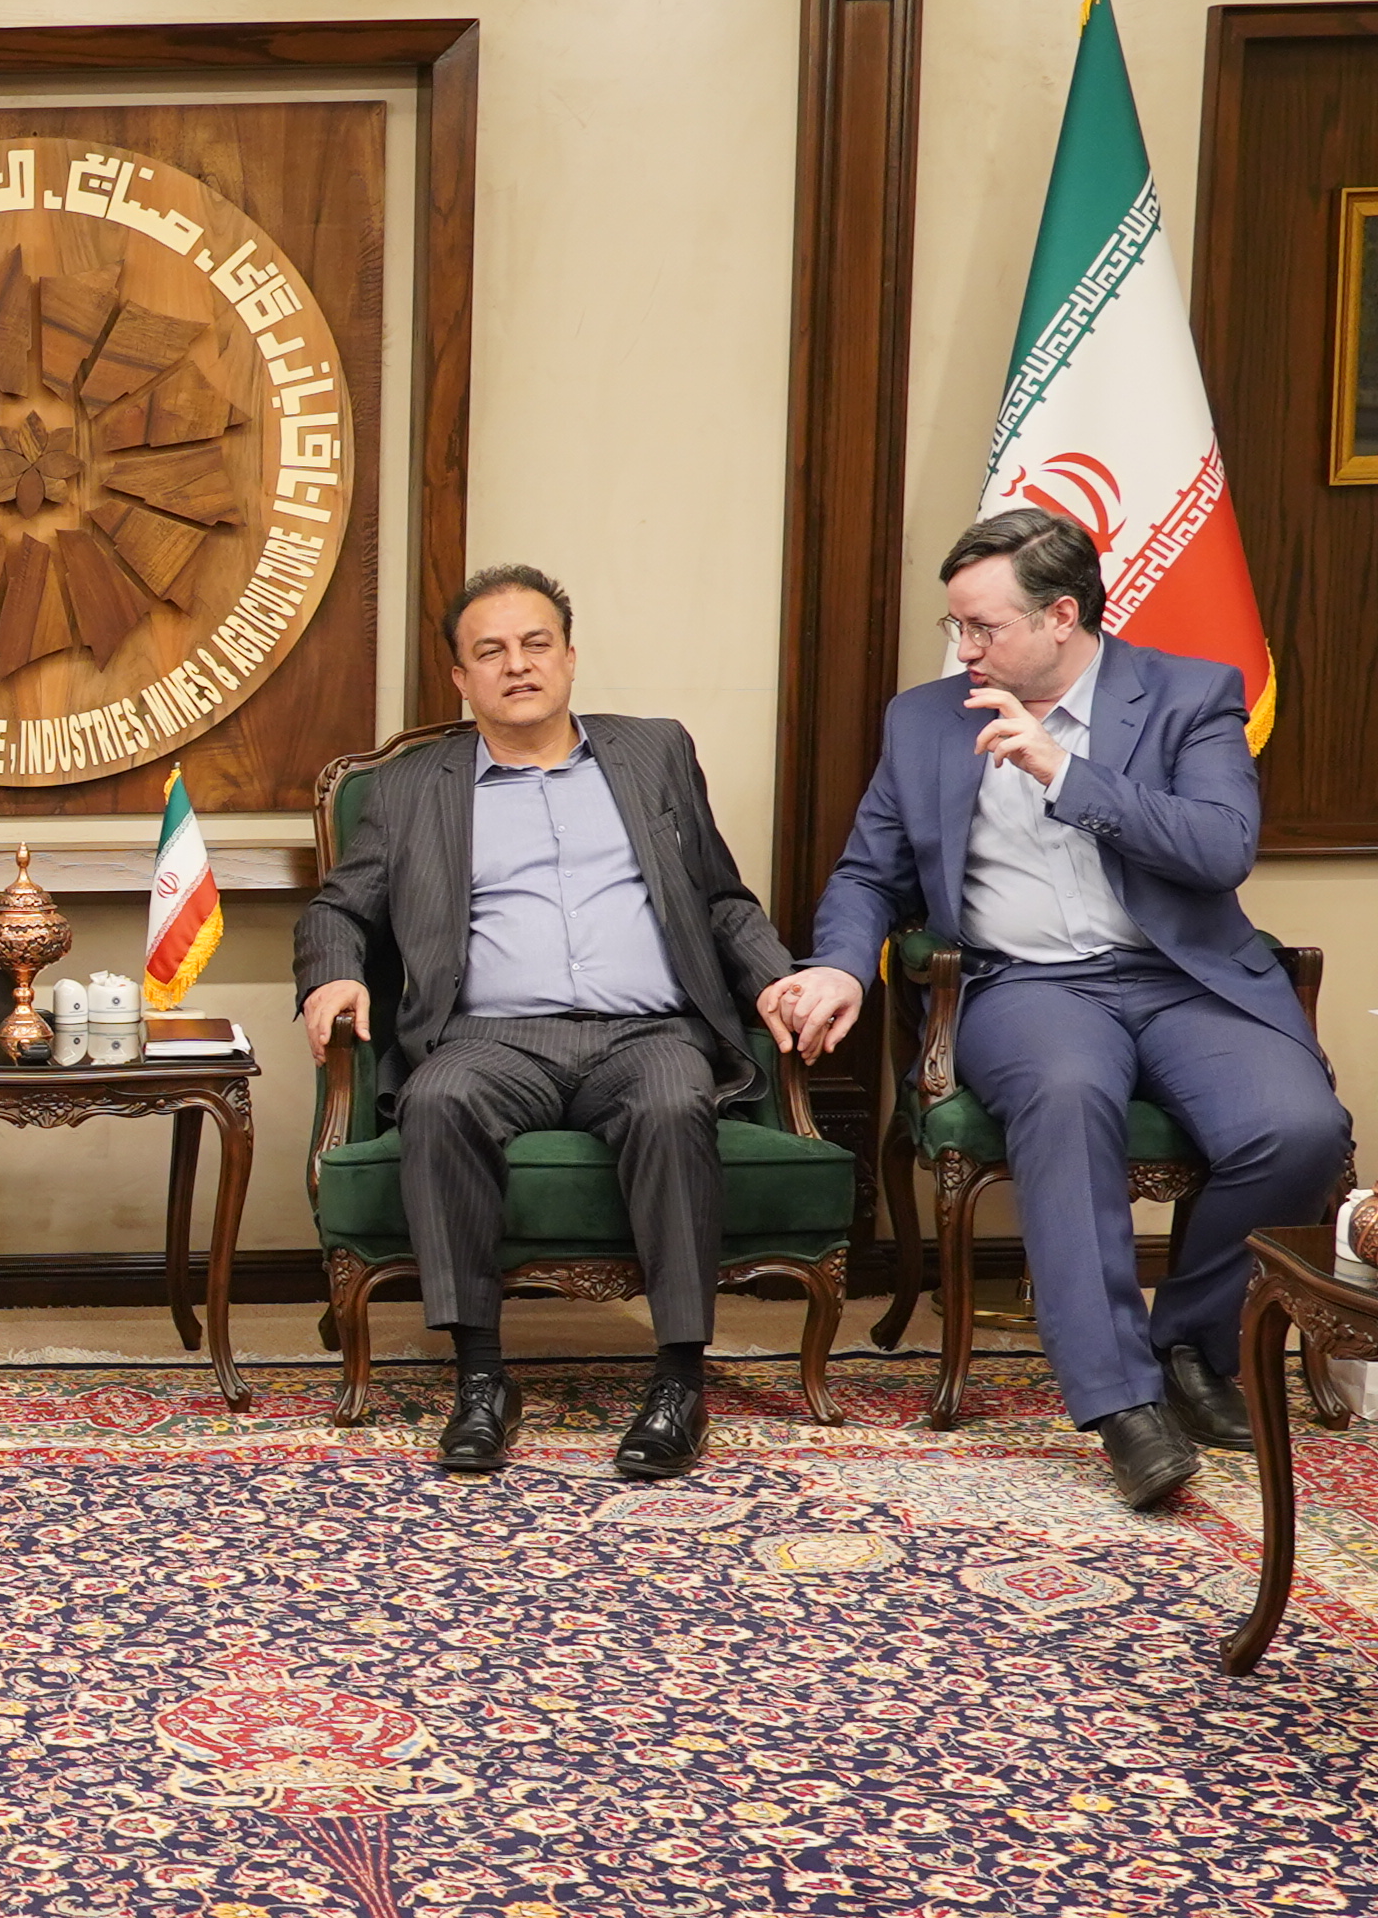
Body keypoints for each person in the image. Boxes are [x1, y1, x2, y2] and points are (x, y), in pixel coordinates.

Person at [771, 506, 1349, 1510]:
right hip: (1029, 986)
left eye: (983, 627)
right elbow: (870, 872)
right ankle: (1122, 1404)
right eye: (957, 626)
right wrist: (841, 969)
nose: (964, 649)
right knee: (1070, 1100)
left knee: (1299, 1129)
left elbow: (1221, 847)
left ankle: (1189, 1345)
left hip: (1181, 980)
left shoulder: (1187, 695)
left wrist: (1064, 772)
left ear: (1063, 617)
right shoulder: (925, 720)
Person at [294, 565, 800, 1481]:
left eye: (536, 644)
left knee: (673, 1103)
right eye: (490, 651)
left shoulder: (653, 752)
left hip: (648, 1033)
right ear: (461, 679)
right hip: (491, 1039)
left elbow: (721, 898)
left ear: (569, 657)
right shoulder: (410, 789)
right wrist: (331, 977)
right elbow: (337, 910)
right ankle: (482, 1379)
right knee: (438, 1099)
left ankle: (679, 1383)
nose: (517, 665)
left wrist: (776, 982)